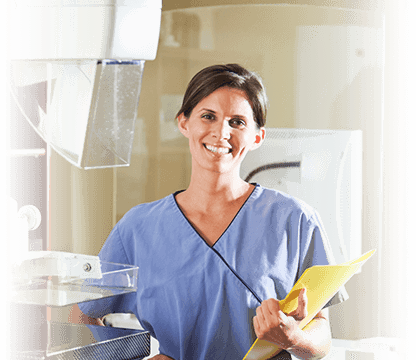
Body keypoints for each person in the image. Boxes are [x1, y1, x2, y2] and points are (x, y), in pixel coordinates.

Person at [75, 64, 347, 359]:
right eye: (208, 116)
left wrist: (295, 338)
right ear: (184, 123)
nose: (221, 132)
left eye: (238, 122)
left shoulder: (295, 221)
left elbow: (322, 335)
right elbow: (83, 313)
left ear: (257, 137)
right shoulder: (137, 229)